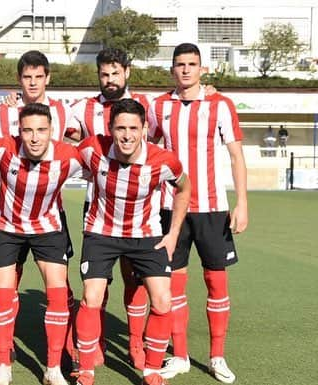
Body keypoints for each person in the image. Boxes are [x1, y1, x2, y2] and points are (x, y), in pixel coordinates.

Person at [0, 49, 80, 377]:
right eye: (26, 77)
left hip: (51, 213)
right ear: (19, 79)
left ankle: (65, 353)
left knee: (60, 289)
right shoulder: (6, 113)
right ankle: (4, 356)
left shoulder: (63, 112)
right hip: (9, 217)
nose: (32, 83)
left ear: (48, 78)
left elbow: (81, 139)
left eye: (38, 77)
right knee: (7, 289)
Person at [148, 43, 248, 384]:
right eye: (180, 64)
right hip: (170, 208)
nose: (186, 69)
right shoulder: (158, 107)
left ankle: (217, 357)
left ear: (202, 69)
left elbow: (236, 156)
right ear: (172, 69)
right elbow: (146, 151)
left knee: (216, 282)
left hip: (212, 208)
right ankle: (179, 356)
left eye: (192, 64)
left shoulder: (221, 105)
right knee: (174, 285)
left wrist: (242, 203)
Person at [73, 98, 191, 385]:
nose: (127, 135)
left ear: (145, 129)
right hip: (102, 233)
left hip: (145, 234)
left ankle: (151, 370)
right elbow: (62, 164)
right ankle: (86, 370)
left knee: (163, 300)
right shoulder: (92, 149)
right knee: (92, 297)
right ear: (110, 129)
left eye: (133, 128)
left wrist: (173, 233)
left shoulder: (164, 160)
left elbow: (184, 188)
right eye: (120, 128)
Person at [67, 47, 153, 371]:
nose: (110, 79)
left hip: (139, 207)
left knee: (136, 280)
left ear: (127, 72)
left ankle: (135, 344)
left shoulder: (148, 105)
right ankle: (97, 342)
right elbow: (59, 132)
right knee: (97, 283)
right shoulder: (84, 108)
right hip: (99, 205)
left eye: (115, 73)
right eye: (104, 74)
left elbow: (162, 142)